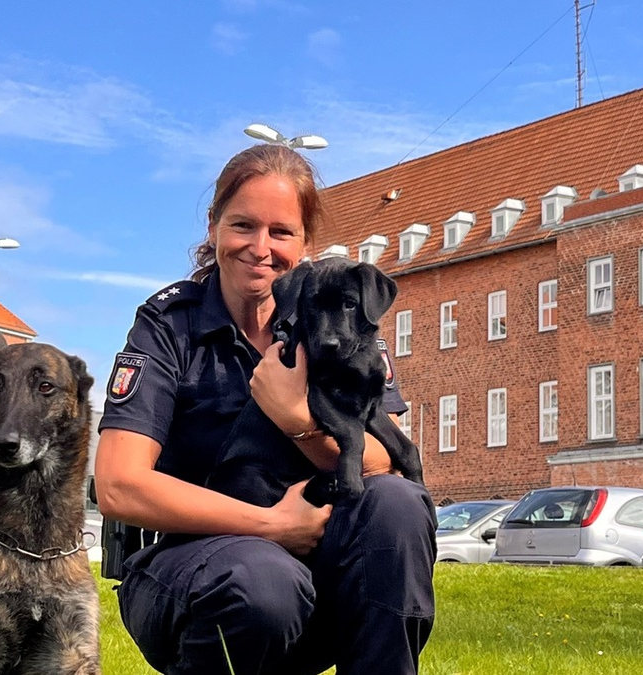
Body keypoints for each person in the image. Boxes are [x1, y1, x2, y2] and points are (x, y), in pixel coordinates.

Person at [94, 143, 437, 675]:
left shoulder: (338, 320)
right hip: (199, 567)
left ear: (305, 243)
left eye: (281, 232)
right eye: (243, 226)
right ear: (213, 227)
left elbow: (385, 461)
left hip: (320, 570)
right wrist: (272, 525)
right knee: (262, 581)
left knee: (397, 505)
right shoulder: (170, 326)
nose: (260, 248)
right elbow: (119, 485)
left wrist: (297, 420)